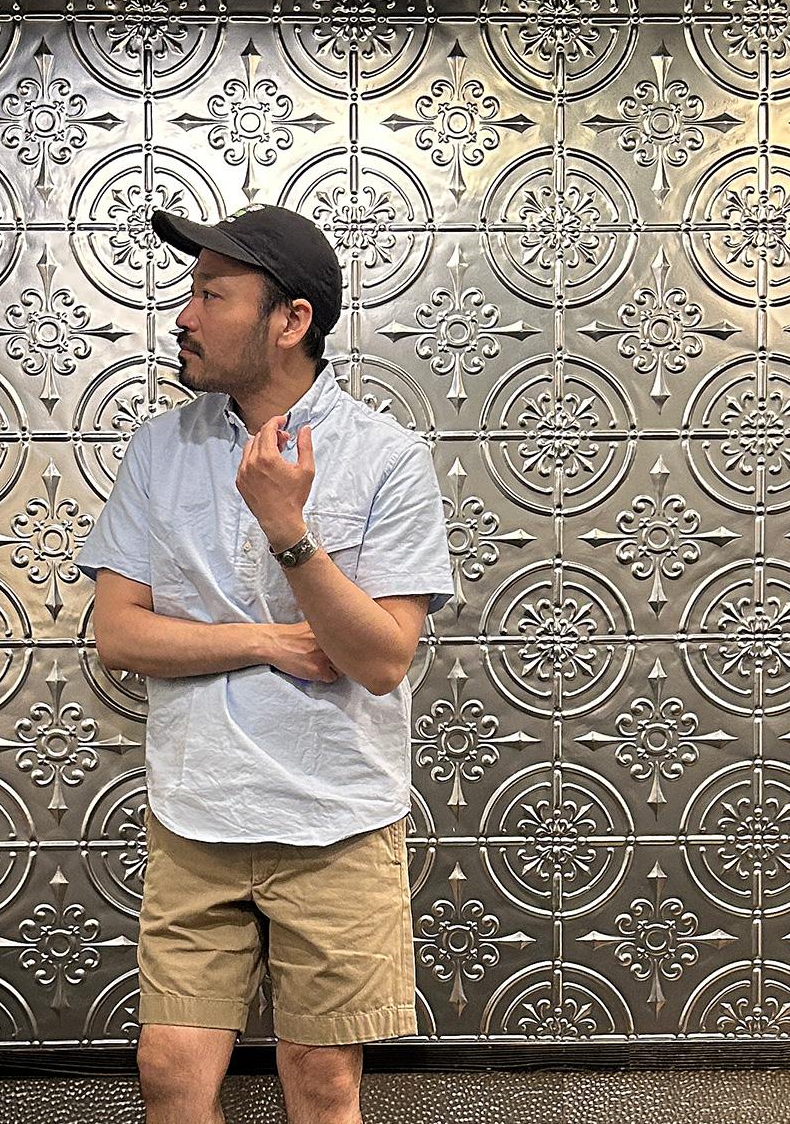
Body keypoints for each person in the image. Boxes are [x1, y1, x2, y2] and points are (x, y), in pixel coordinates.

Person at [75, 203, 455, 1124]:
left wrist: (287, 528)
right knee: (169, 1073)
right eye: (191, 292)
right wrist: (269, 641)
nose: (184, 316)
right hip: (195, 815)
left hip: (338, 820)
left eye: (212, 295)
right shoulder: (160, 448)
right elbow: (119, 636)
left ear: (292, 320)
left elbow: (381, 660)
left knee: (322, 1084)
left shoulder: (387, 457)